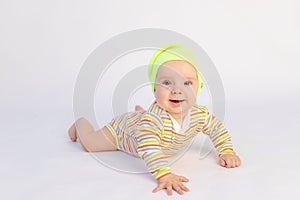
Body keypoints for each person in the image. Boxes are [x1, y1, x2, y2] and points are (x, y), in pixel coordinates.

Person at [68, 44, 241, 196]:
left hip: (141, 122)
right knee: (89, 145)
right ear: (154, 89)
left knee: (143, 119)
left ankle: (138, 113)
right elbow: (149, 148)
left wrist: (226, 151)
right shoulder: (152, 122)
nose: (177, 90)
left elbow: (216, 129)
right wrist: (164, 174)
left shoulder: (199, 114)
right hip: (121, 132)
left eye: (187, 83)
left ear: (199, 88)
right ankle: (81, 125)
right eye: (167, 82)